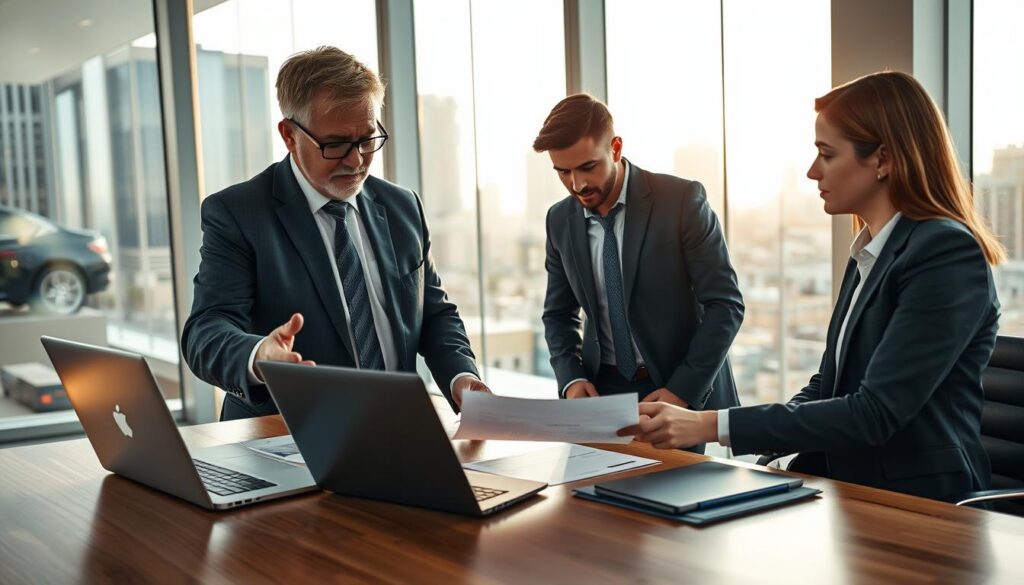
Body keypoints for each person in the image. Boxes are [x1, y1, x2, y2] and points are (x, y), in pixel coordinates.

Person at [620, 71, 1004, 502]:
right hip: (848, 488)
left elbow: (874, 413)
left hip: (920, 506)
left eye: (826, 154)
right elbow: (829, 385)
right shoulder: (871, 252)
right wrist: (761, 445)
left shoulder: (945, 253)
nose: (811, 171)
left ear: (883, 159)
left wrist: (710, 425)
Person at [181, 46, 487, 420]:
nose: (357, 160)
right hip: (285, 438)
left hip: (397, 434)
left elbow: (435, 316)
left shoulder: (403, 207)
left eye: (367, 139)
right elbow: (205, 333)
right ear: (290, 135)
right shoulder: (238, 214)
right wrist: (260, 356)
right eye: (337, 144)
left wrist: (461, 376)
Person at [535, 94, 744, 454]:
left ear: (615, 148)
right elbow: (558, 315)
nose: (577, 184)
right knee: (596, 505)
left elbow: (725, 305)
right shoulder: (559, 220)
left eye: (587, 167)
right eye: (563, 172)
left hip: (680, 388)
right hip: (603, 394)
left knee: (678, 503)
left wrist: (682, 390)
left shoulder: (681, 201)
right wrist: (572, 379)